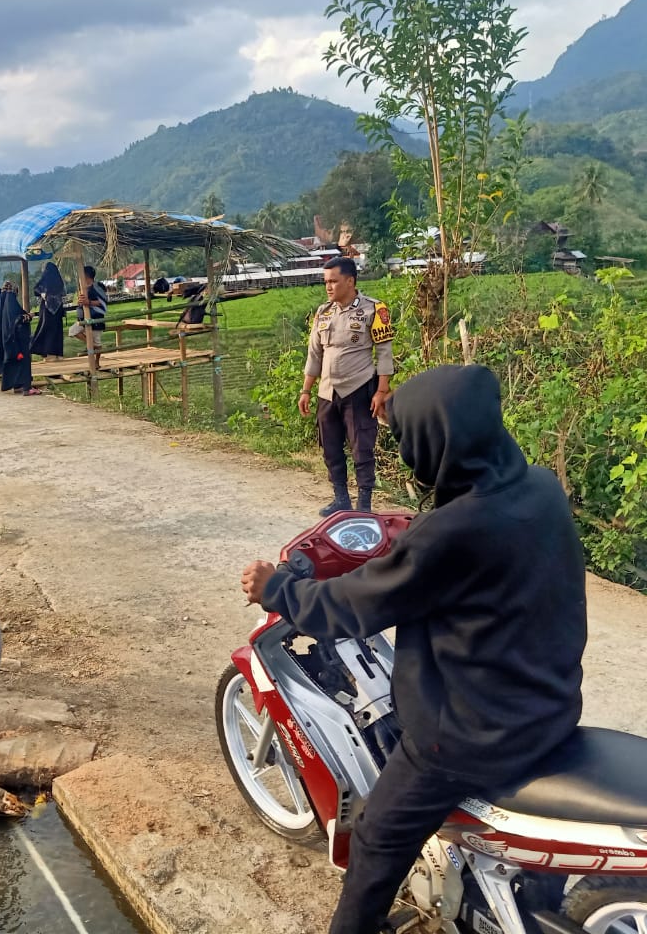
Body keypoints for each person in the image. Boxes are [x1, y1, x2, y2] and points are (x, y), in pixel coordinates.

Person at [241, 364, 587, 934]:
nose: (406, 454)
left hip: (470, 735)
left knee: (376, 836)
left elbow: (355, 605)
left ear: (437, 442)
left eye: (408, 440)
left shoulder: (450, 534)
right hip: (551, 706)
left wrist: (279, 589)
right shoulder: (540, 488)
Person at [300, 256, 395, 515]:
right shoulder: (323, 312)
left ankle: (364, 504)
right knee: (330, 448)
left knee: (361, 448)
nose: (328, 287)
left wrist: (381, 391)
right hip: (327, 391)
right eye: (326, 282)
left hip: (359, 388)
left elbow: (384, 354)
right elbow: (314, 355)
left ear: (350, 281)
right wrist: (306, 390)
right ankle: (341, 498)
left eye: (333, 281)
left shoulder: (374, 310)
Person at [0, 280, 39, 395]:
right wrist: (28, 316)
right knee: (24, 361)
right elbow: (17, 319)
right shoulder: (12, 304)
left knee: (15, 362)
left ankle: (17, 385)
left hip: (9, 339)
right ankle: (27, 387)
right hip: (18, 339)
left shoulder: (3, 306)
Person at [68, 265, 108, 357]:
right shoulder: (83, 288)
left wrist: (89, 302)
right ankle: (90, 344)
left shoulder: (98, 286)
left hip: (96, 318)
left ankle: (96, 361)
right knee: (73, 330)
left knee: (97, 341)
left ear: (86, 275)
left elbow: (102, 302)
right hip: (83, 319)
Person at [30, 262, 66, 360]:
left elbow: (36, 290)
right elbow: (63, 293)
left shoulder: (44, 280)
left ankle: (48, 353)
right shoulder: (59, 281)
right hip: (57, 308)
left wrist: (43, 294)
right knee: (56, 330)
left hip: (46, 309)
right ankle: (57, 354)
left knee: (46, 329)